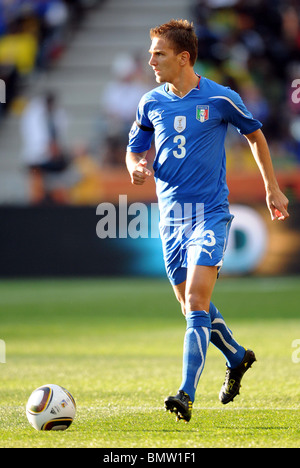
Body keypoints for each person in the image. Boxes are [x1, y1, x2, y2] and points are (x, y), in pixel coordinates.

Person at [125, 19, 289, 423]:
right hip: (171, 221)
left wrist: (272, 187)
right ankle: (236, 356)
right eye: (151, 53)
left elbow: (255, 135)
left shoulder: (220, 98)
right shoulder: (150, 103)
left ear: (183, 58)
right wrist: (135, 167)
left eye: (158, 54)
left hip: (210, 215)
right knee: (188, 306)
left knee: (196, 300)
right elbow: (134, 149)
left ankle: (185, 393)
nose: (151, 61)